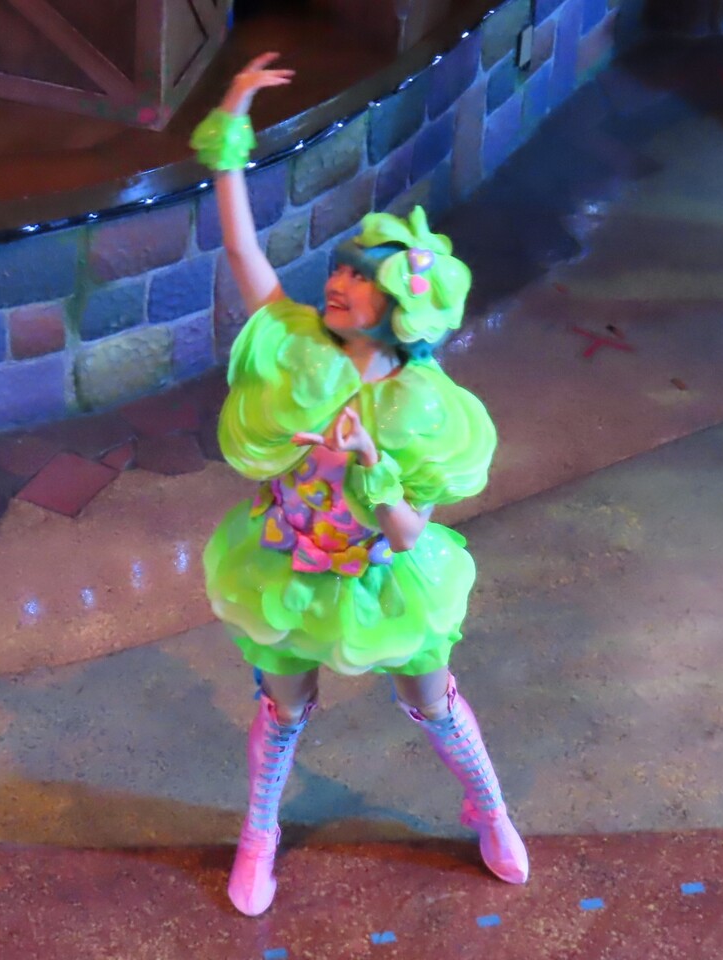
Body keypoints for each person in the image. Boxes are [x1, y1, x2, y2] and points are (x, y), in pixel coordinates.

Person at [192, 53, 528, 917]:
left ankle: (488, 807)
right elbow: (241, 248)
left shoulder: (421, 408)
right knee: (282, 707)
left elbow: (412, 533)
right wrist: (231, 129)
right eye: (341, 270)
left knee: (433, 700)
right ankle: (260, 832)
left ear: (401, 310)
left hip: (385, 580)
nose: (337, 284)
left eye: (359, 280)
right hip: (288, 566)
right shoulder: (300, 347)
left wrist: (371, 473)